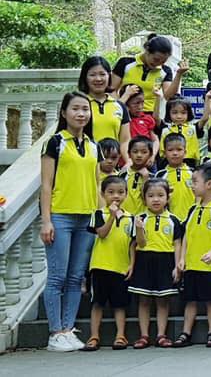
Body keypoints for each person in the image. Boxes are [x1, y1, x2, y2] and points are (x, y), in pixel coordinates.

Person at [40, 92, 99, 352]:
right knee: (57, 276)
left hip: (86, 217)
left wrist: (100, 215)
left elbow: (97, 183)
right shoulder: (55, 143)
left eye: (85, 109)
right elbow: (45, 185)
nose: (81, 114)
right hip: (61, 216)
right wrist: (46, 221)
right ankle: (56, 332)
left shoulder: (93, 145)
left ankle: (68, 328)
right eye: (75, 109)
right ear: (64, 113)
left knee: (76, 277)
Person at [174, 163, 211, 348]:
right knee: (190, 300)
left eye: (195, 181)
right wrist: (182, 258)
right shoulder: (193, 209)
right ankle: (185, 333)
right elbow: (186, 236)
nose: (192, 185)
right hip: (191, 264)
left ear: (209, 184)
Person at [81, 176, 135, 351]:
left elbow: (133, 244)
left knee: (120, 304)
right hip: (100, 266)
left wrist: (131, 264)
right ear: (103, 194)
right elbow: (102, 234)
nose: (116, 196)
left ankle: (120, 335)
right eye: (111, 192)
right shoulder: (99, 214)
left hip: (121, 267)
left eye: (120, 192)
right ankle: (94, 336)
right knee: (97, 302)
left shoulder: (131, 218)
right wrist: (112, 217)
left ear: (126, 194)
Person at [129, 178, 183, 349]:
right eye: (151, 195)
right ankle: (144, 335)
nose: (156, 199)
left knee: (163, 301)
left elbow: (177, 244)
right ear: (144, 198)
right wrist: (139, 229)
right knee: (144, 300)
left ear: (168, 197)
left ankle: (161, 334)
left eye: (160, 195)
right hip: (144, 261)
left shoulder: (174, 220)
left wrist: (177, 266)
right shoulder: (140, 219)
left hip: (165, 262)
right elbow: (139, 244)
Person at [113, 34, 187, 116]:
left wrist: (179, 74)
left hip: (150, 116)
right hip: (125, 113)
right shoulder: (125, 63)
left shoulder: (165, 71)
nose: (158, 63)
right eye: (156, 59)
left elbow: (168, 96)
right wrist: (119, 107)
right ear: (147, 51)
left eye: (163, 61)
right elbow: (111, 90)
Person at [79, 56, 131, 163]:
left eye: (102, 74)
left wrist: (128, 161)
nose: (98, 79)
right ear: (85, 77)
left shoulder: (119, 106)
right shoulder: (78, 105)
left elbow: (125, 141)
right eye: (92, 75)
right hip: (85, 162)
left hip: (111, 165)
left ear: (109, 76)